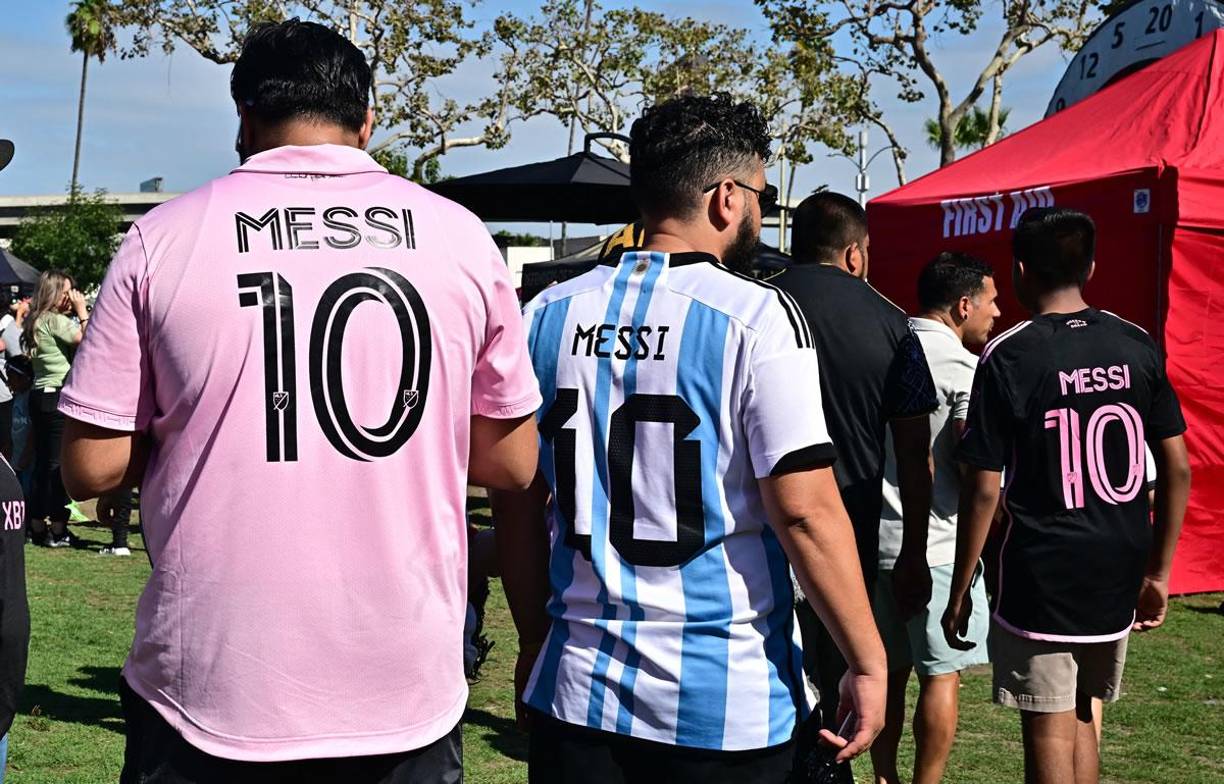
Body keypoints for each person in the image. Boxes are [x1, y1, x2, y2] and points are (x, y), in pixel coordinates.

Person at [58, 19, 541, 783]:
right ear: (367, 121)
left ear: (244, 118)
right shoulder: (462, 239)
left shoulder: (163, 238)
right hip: (403, 680)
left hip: (213, 679)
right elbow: (510, 466)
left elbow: (90, 469)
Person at [492, 94, 887, 784]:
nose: (760, 212)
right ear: (727, 198)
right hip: (723, 698)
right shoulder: (757, 315)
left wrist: (533, 640)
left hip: (576, 689)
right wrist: (868, 661)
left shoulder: (546, 313)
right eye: (761, 195)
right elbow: (804, 511)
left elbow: (517, 500)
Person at [943, 208, 1192, 784]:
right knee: (1082, 710)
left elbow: (983, 487)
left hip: (1044, 568)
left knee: (1048, 727)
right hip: (1118, 561)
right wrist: (1158, 572)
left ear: (1020, 271)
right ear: (1091, 267)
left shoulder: (1009, 353)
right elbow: (1177, 466)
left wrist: (961, 588)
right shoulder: (1135, 343)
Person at [772, 192, 938, 750]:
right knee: (836, 680)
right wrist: (913, 552)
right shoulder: (893, 324)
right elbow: (915, 453)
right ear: (854, 254)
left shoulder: (757, 304)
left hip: (762, 527)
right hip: (849, 532)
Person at [870, 252, 1000, 784]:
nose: (997, 313)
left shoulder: (883, 346)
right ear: (964, 305)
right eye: (991, 302)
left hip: (869, 542)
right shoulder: (966, 369)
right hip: (938, 548)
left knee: (883, 674)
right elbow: (976, 469)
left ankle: (883, 777)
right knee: (941, 676)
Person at [25, 271, 87, 548]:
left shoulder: (35, 319)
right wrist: (82, 311)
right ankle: (58, 529)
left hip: (39, 395)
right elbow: (89, 339)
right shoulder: (55, 320)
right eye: (66, 292)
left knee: (42, 464)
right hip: (55, 397)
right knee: (57, 467)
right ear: (54, 293)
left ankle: (37, 525)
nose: (70, 297)